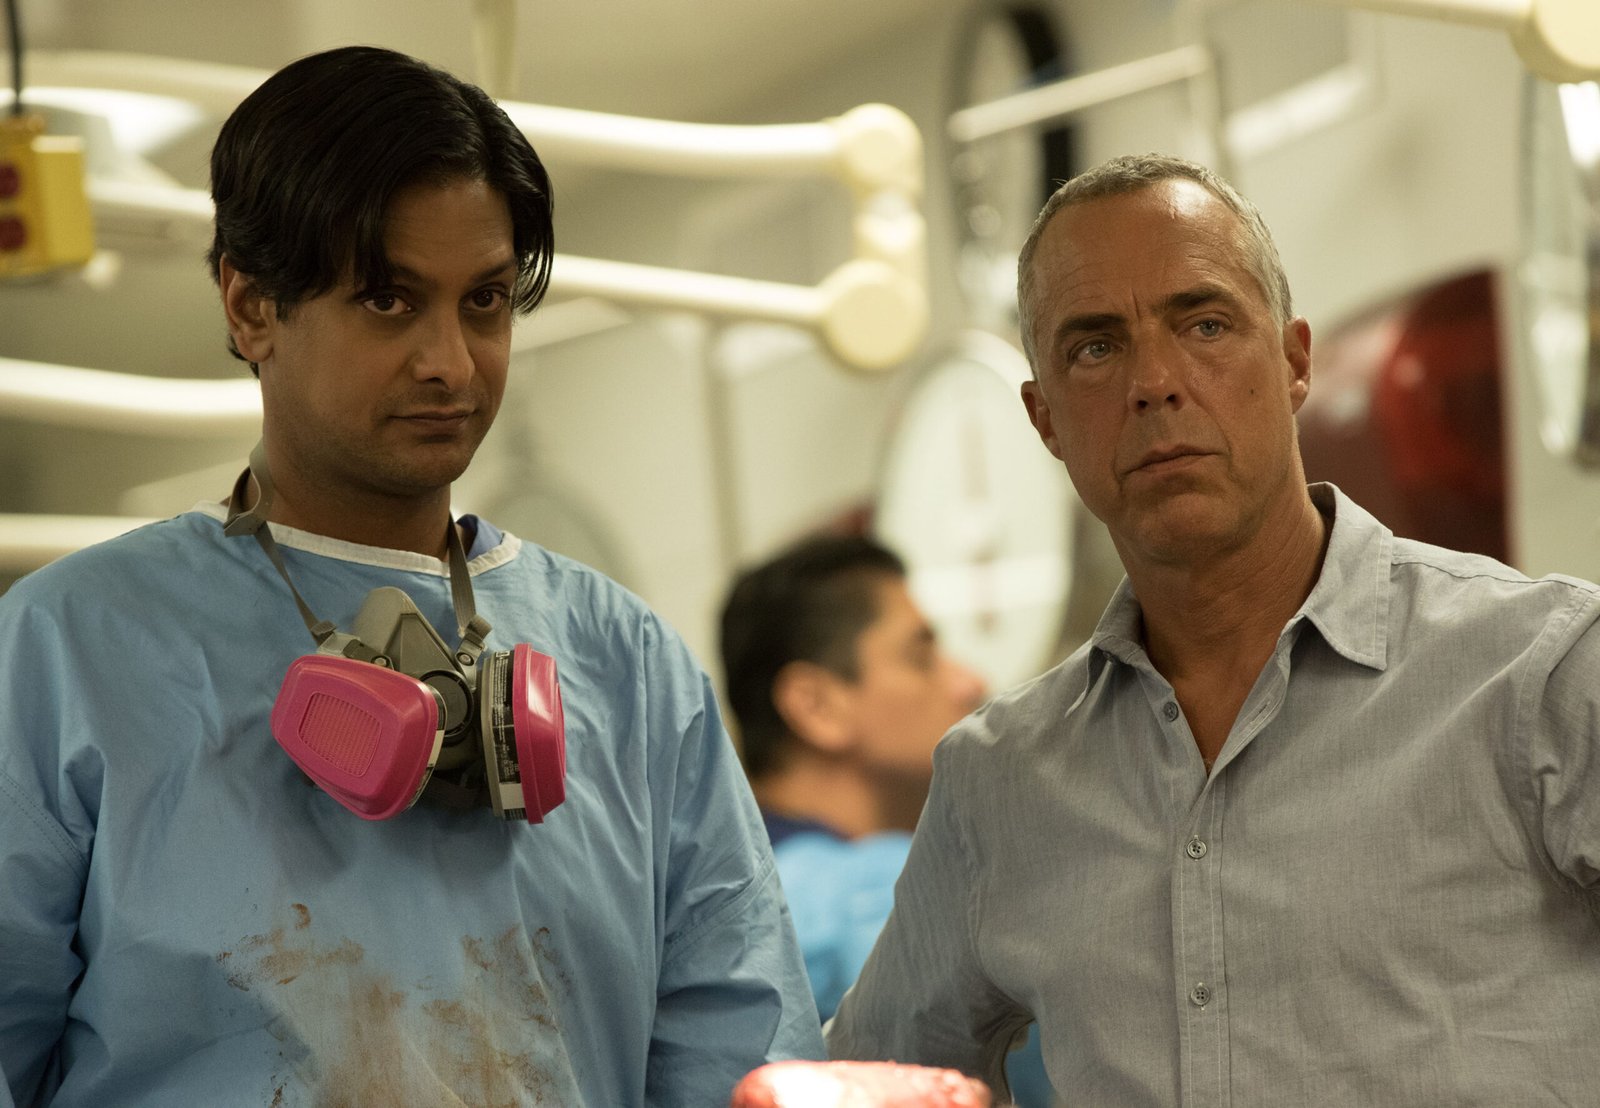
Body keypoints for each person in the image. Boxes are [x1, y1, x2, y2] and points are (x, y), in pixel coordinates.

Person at [0, 46, 822, 1108]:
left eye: (484, 301)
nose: (451, 362)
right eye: (389, 300)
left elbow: (745, 1062)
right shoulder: (70, 651)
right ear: (250, 307)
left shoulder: (628, 667)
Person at [826, 152, 1600, 1105]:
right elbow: (864, 1079)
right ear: (1044, 419)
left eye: (1204, 324)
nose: (1155, 381)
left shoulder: (1541, 671)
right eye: (1095, 348)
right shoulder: (1001, 786)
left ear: (1295, 361)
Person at [718, 534, 1053, 1107]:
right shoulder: (856, 894)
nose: (969, 681)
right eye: (920, 657)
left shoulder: (723, 889)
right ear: (817, 705)